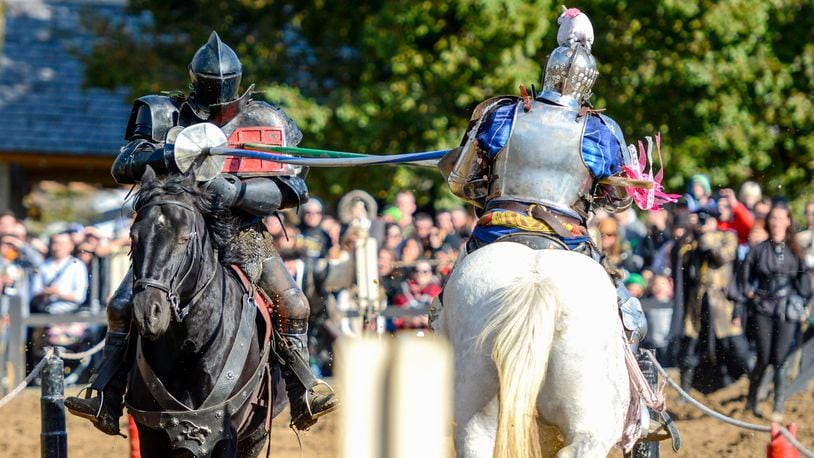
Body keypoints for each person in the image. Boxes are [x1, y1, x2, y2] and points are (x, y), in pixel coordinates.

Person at [65, 32, 336, 435]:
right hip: (176, 234)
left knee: (292, 303)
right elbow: (125, 164)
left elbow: (294, 187)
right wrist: (173, 151)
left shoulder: (266, 119)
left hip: (243, 233)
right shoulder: (165, 112)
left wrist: (236, 190)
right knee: (124, 304)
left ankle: (302, 392)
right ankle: (106, 393)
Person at [739, 201, 811, 421]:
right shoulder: (759, 250)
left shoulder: (795, 251)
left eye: (781, 218)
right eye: (773, 218)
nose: (777, 222)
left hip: (786, 308)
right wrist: (749, 293)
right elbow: (744, 278)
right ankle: (752, 400)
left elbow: (804, 282)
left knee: (780, 358)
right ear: (769, 222)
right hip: (763, 307)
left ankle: (778, 405)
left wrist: (803, 305)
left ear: (788, 221)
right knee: (763, 357)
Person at [674, 208, 752, 394]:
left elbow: (722, 257)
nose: (703, 224)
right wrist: (692, 235)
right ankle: (685, 392)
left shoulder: (727, 237)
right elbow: (682, 259)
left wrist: (707, 239)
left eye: (706, 220)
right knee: (690, 345)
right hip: (698, 301)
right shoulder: (692, 239)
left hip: (722, 302)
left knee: (734, 344)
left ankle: (755, 387)